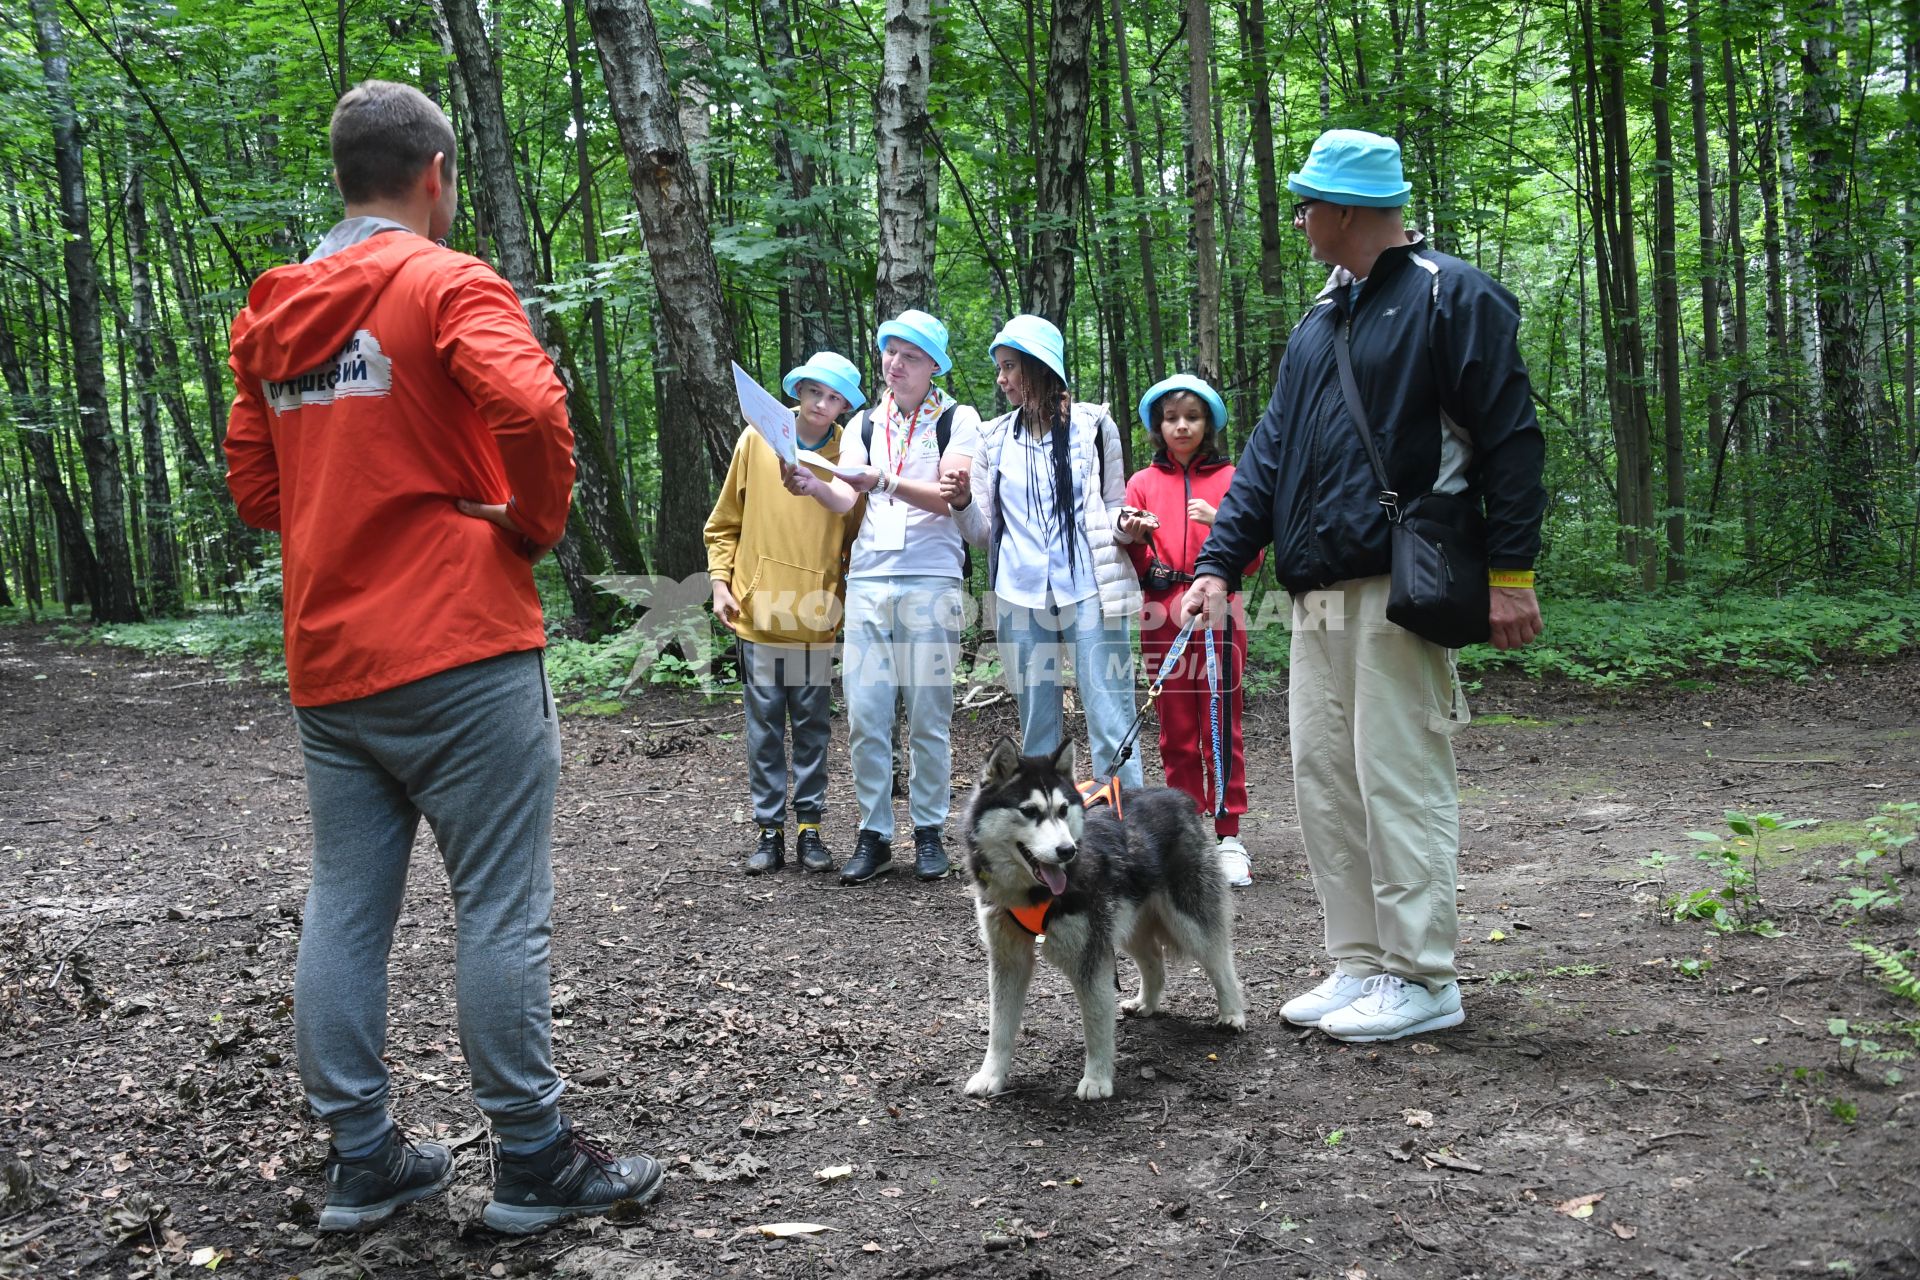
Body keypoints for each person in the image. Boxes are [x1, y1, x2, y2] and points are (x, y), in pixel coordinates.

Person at [224, 80, 659, 1235]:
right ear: (435, 174)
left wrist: (339, 505)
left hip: (331, 661)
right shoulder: (444, 278)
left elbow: (256, 487)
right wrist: (526, 526)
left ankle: (363, 1160)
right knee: (500, 908)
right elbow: (532, 405)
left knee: (345, 905)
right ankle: (533, 1158)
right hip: (461, 647)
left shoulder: (271, 315)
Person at [1182, 129, 1546, 1043]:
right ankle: (1361, 962)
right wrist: (1219, 565)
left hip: (1401, 582)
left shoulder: (1449, 295)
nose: (1298, 216)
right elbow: (1267, 458)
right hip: (1317, 592)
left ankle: (1424, 974)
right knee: (1325, 781)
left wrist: (1511, 572)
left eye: (1307, 202)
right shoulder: (1318, 322)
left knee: (1397, 778)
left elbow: (1510, 439)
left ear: (1346, 209)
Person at [784, 310, 980, 884]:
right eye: (890, 352)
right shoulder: (866, 422)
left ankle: (928, 832)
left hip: (931, 578)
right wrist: (814, 485)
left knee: (927, 714)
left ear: (934, 367)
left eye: (910, 356)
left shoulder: (957, 420)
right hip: (869, 580)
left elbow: (950, 499)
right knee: (867, 713)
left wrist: (886, 482)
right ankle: (874, 833)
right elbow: (847, 499)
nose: (895, 364)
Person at [941, 315, 1143, 792]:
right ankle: (1045, 825)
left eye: (1010, 366)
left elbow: (1110, 508)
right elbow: (985, 533)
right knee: (1036, 720)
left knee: (1109, 708)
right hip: (1018, 592)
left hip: (1089, 586)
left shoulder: (1095, 426)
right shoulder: (993, 438)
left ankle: (1130, 826)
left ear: (1040, 367)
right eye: (999, 368)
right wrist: (963, 502)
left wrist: (1128, 527)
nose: (1002, 379)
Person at [706, 352, 866, 876]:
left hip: (817, 618)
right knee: (765, 728)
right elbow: (724, 522)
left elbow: (858, 535)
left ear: (845, 404)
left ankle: (810, 828)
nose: (822, 404)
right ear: (797, 390)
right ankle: (769, 831)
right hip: (759, 613)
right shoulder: (756, 440)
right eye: (814, 392)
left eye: (835, 397)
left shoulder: (850, 452)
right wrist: (720, 583)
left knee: (814, 727)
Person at [1119, 375, 1261, 887]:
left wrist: (1222, 518)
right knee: (1175, 728)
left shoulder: (1234, 477)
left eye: (1193, 417)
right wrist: (1137, 544)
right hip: (1162, 614)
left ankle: (1228, 836)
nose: (1181, 426)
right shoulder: (1141, 482)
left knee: (1221, 723)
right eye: (1171, 417)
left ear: (1209, 425)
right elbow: (1131, 557)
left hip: (1222, 610)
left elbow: (1256, 553)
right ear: (1157, 425)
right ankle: (1186, 833)